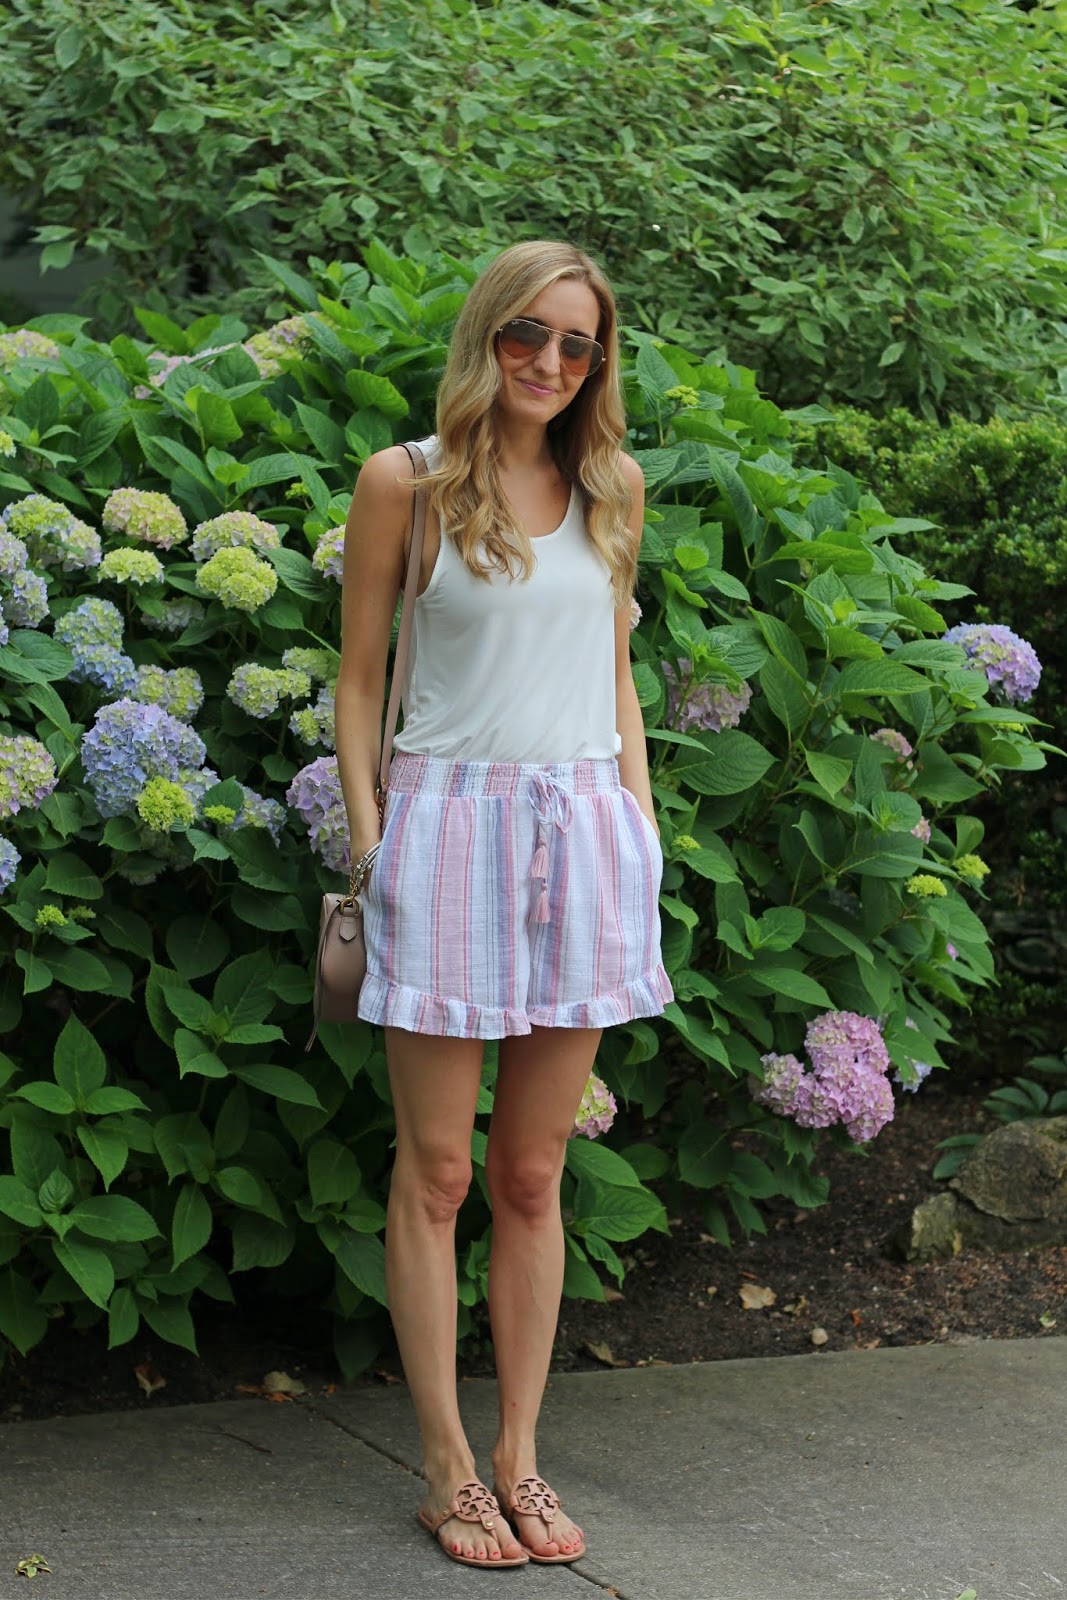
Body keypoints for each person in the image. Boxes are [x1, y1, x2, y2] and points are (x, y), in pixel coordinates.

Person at [334, 239, 672, 1570]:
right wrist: (377, 843)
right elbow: (361, 680)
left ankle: (522, 1459)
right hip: (447, 830)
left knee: (533, 1173)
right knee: (439, 1171)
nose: (550, 361)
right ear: (487, 335)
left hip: (583, 834)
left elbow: (615, 674)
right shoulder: (406, 484)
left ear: (599, 362)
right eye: (528, 333)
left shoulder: (611, 486)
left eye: (578, 343)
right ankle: (448, 1470)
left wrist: (639, 826)